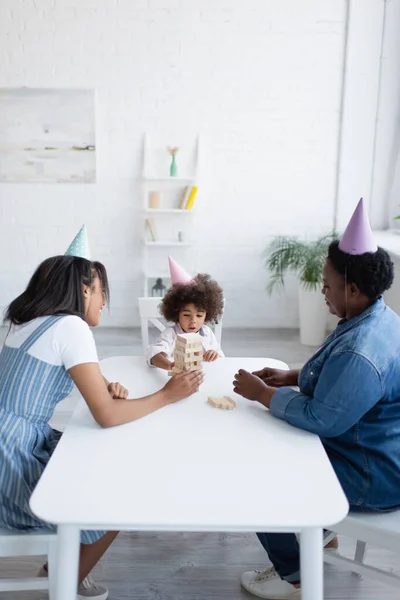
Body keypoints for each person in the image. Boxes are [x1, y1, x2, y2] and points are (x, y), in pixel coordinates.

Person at [0, 254, 202, 600]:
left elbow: (66, 372)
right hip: (11, 458)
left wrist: (104, 384)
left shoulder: (28, 320)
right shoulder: (70, 326)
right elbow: (106, 416)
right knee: (116, 496)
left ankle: (62, 569)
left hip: (10, 437)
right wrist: (167, 394)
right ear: (83, 290)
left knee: (96, 460)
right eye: (101, 292)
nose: (105, 302)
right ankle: (63, 582)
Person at [233, 199, 400, 599]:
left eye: (327, 284)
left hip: (369, 472)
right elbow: (345, 384)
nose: (321, 290)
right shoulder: (378, 316)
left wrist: (264, 394)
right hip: (374, 447)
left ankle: (295, 573)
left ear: (354, 289)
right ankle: (318, 537)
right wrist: (292, 376)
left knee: (252, 478)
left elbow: (323, 419)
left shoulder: (361, 349)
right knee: (266, 440)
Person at [147, 256, 224, 370]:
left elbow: (221, 358)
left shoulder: (207, 334)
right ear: (176, 313)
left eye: (199, 315)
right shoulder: (171, 335)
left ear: (207, 314)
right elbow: (153, 354)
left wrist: (214, 354)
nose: (193, 320)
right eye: (187, 315)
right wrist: (169, 365)